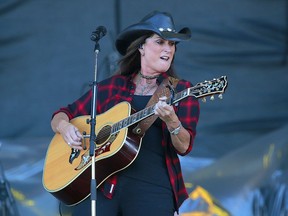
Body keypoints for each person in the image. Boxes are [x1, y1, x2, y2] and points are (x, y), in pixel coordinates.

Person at [51, 11, 200, 216]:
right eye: (160, 42)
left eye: (172, 44)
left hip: (152, 189)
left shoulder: (181, 90)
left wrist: (173, 121)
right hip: (102, 185)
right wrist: (65, 127)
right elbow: (62, 114)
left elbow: (184, 146)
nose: (168, 49)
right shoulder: (112, 86)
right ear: (141, 47)